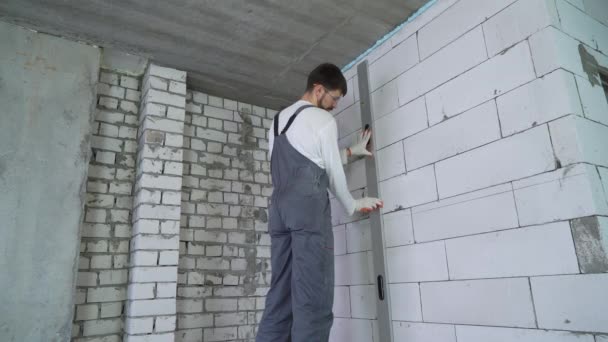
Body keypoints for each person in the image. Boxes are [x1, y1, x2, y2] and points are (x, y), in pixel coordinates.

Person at [256, 63, 383, 342]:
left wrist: (352, 151)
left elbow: (309, 157)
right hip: (307, 212)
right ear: (318, 89)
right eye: (334, 98)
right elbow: (332, 172)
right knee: (313, 296)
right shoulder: (323, 120)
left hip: (278, 211)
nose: (335, 105)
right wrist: (352, 204)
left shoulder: (277, 121)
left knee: (281, 293)